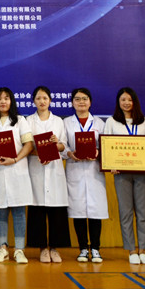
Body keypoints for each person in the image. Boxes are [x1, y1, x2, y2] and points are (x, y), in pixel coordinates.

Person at [103, 87, 145, 264]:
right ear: (118, 102)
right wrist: (111, 164)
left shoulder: (144, 121)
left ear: (135, 102)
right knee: (125, 212)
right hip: (121, 174)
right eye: (123, 100)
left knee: (142, 212)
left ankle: (143, 250)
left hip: (142, 174)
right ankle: (132, 250)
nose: (126, 103)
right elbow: (106, 146)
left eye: (129, 100)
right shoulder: (112, 121)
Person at [0, 87, 34, 264]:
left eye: (6, 98)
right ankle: (3, 248)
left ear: (11, 101)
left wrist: (15, 159)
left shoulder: (20, 120)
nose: (3, 101)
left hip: (17, 170)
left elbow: (28, 145)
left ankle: (19, 250)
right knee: (0, 211)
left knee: (19, 212)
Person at [26, 86, 70, 263]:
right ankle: (42, 248)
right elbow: (26, 146)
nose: (42, 101)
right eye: (38, 98)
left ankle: (54, 248)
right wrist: (40, 153)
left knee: (56, 211)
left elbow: (63, 146)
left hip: (54, 170)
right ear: (34, 101)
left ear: (50, 100)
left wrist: (56, 143)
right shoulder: (28, 121)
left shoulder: (58, 121)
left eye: (45, 98)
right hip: (36, 168)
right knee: (37, 210)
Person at [64, 87, 107, 263]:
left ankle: (95, 248)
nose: (81, 102)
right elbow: (63, 144)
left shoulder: (99, 123)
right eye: (77, 99)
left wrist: (98, 152)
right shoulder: (66, 122)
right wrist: (69, 153)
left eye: (84, 98)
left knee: (96, 210)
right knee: (78, 210)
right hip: (74, 168)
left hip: (94, 170)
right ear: (72, 103)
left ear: (90, 102)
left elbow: (106, 145)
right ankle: (82, 248)